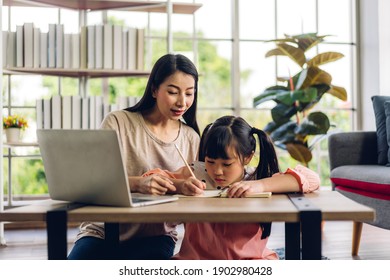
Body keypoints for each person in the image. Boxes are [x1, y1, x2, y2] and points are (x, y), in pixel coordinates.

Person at [67, 53, 206, 260]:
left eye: (189, 93)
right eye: (173, 92)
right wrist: (138, 183)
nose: (182, 102)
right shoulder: (118, 122)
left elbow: (195, 200)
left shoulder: (191, 138)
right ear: (154, 90)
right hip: (102, 231)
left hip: (157, 236)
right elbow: (92, 180)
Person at [142, 116, 320, 259]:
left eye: (227, 164)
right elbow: (151, 179)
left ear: (248, 158)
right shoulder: (196, 173)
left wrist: (260, 185)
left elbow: (312, 179)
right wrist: (180, 185)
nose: (217, 171)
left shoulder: (255, 179)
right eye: (211, 162)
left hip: (250, 262)